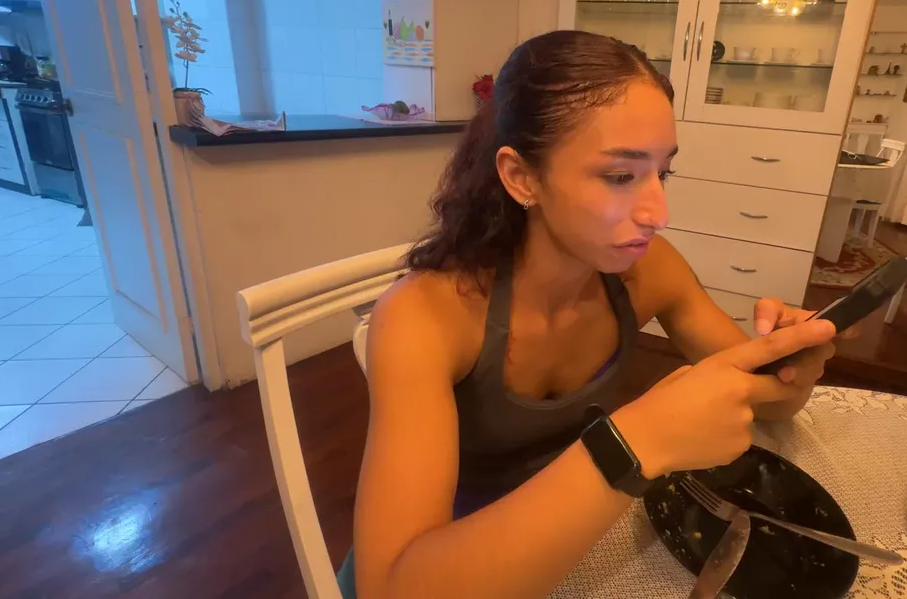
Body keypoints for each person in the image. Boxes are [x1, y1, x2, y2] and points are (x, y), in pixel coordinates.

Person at [349, 30, 840, 598]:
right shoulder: (426, 315)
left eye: (663, 173)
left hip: (584, 529)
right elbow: (390, 588)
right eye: (619, 176)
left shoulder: (647, 271)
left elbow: (769, 402)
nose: (659, 212)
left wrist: (792, 362)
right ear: (521, 177)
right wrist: (637, 440)